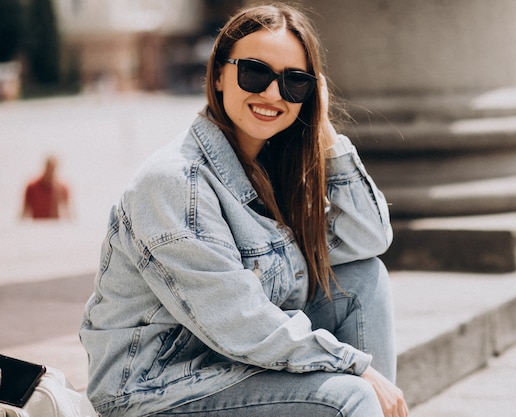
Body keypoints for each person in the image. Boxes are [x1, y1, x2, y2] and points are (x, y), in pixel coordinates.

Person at [79, 3, 408, 417]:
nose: (273, 94)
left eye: (295, 83)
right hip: (157, 390)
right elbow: (238, 321)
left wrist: (324, 130)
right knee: (353, 396)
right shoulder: (176, 182)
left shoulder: (270, 169)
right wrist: (355, 367)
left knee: (363, 277)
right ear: (218, 74)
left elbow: (369, 238)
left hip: (229, 365)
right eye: (255, 72)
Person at [21, 155, 72, 220]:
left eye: (53, 169)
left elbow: (67, 212)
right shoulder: (32, 187)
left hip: (55, 226)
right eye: (49, 169)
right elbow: (25, 210)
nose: (50, 172)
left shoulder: (62, 188)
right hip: (37, 226)